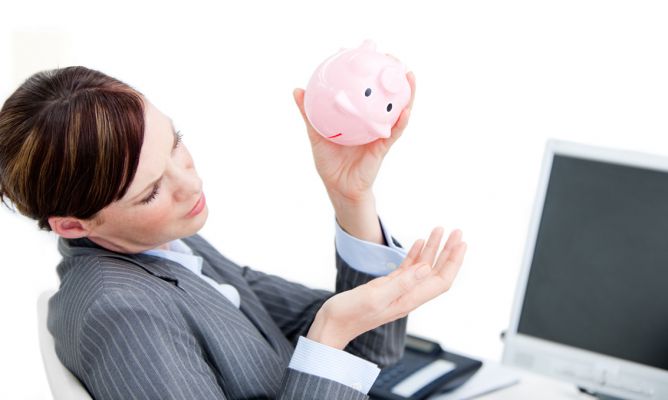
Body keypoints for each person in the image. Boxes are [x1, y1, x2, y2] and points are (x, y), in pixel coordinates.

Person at [0, 66, 467, 400]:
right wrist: (328, 334)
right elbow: (338, 340)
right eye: (151, 192)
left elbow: (368, 351)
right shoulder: (123, 314)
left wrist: (351, 197)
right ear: (71, 225)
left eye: (175, 144)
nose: (191, 184)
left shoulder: (167, 248)